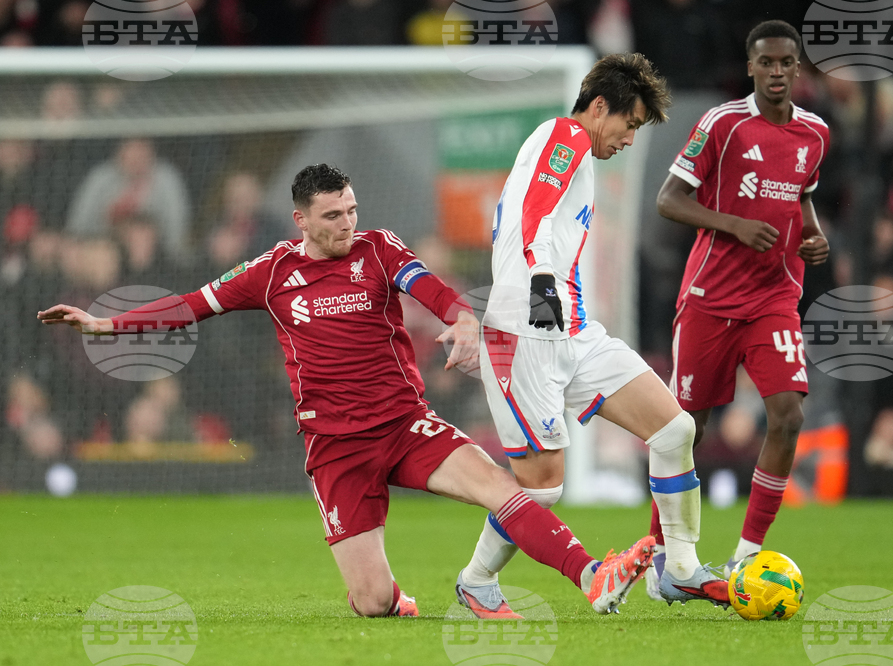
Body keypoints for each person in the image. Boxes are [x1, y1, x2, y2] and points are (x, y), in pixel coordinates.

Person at [38, 164, 654, 618]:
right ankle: (399, 600)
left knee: (505, 489)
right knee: (372, 602)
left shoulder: (379, 251)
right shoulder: (271, 272)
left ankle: (594, 576)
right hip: (334, 449)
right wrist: (105, 323)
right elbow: (191, 306)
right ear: (302, 218)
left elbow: (432, 290)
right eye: (333, 216)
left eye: (352, 210)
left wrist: (462, 320)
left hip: (404, 425)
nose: (347, 224)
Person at [454, 52, 730, 618]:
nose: (630, 140)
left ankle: (677, 569)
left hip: (575, 331)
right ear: (599, 107)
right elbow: (536, 211)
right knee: (541, 486)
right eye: (629, 125)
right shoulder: (565, 135)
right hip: (524, 331)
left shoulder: (575, 155)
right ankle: (476, 579)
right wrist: (538, 276)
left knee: (674, 428)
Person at [650, 20, 831, 590]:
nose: (777, 72)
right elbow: (668, 200)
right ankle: (658, 557)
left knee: (788, 415)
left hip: (775, 295)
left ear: (797, 69)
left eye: (786, 63)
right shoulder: (723, 123)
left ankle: (747, 555)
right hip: (710, 296)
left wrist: (813, 234)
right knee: (685, 432)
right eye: (766, 63)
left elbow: (800, 199)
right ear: (751, 67)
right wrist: (732, 224)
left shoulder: (816, 134)